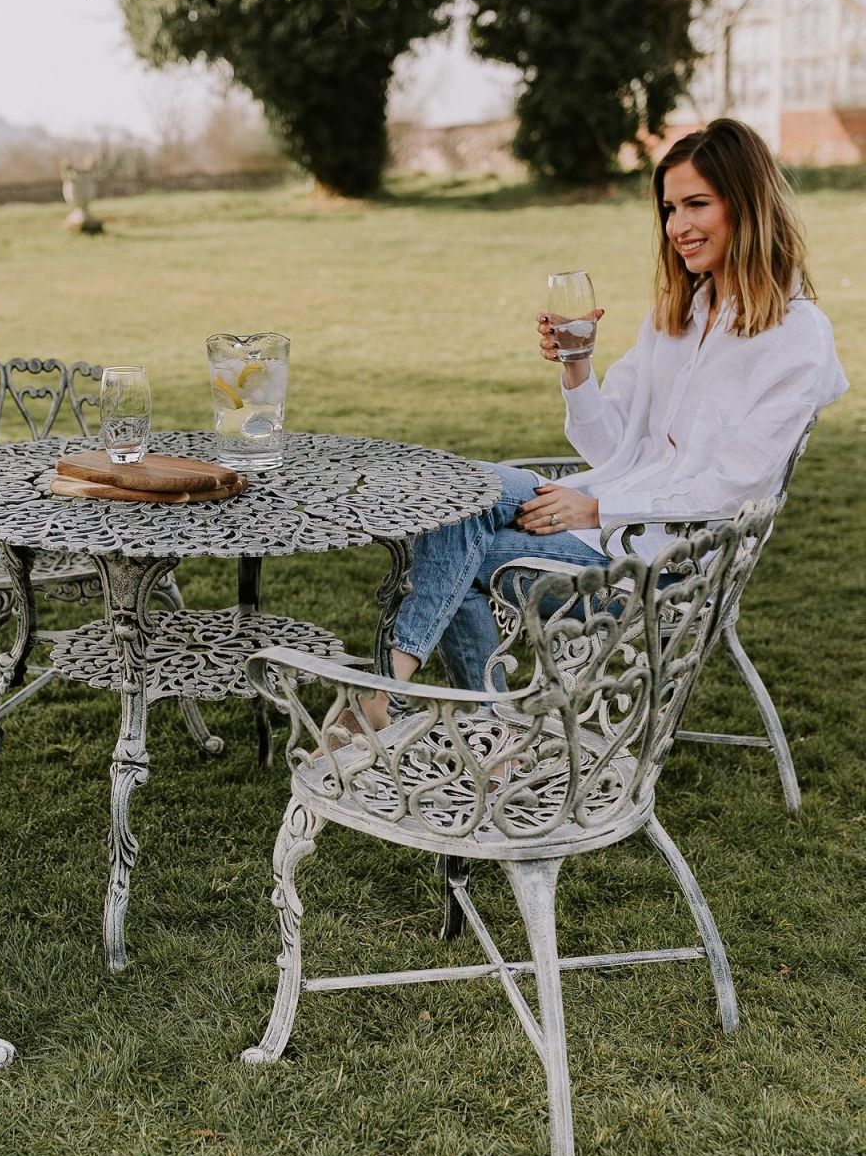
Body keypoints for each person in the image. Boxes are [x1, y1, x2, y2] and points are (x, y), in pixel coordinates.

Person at [358, 117, 848, 728]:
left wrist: (598, 510)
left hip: (673, 557)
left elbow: (738, 488)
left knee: (461, 547)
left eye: (698, 205)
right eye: (670, 209)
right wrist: (578, 366)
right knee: (457, 491)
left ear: (746, 206)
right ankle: (416, 703)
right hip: (610, 511)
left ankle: (439, 709)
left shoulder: (795, 337)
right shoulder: (681, 312)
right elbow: (611, 444)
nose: (679, 228)